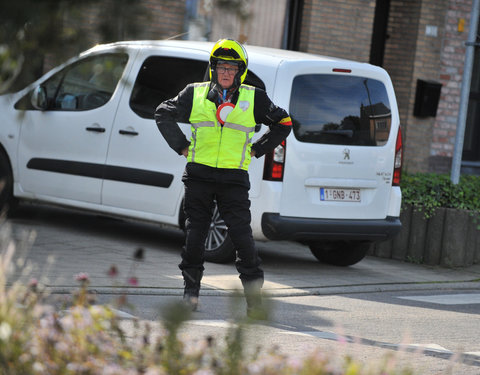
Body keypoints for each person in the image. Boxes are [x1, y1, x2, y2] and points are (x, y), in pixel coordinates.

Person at [154, 39, 291, 318]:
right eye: (220, 66)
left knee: (243, 238)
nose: (225, 72)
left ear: (240, 71)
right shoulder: (195, 93)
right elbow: (163, 113)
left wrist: (257, 149)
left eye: (231, 67)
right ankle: (190, 295)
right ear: (213, 68)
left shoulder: (254, 97)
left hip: (233, 179)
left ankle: (254, 302)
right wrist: (181, 146)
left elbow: (284, 123)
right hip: (199, 176)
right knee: (195, 236)